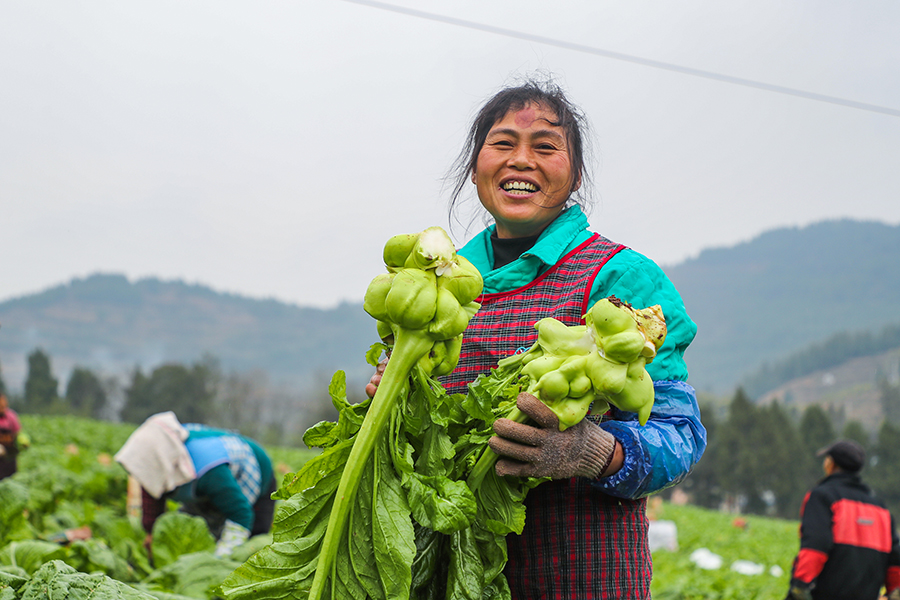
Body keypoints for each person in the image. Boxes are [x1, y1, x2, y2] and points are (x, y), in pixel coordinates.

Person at [368, 78, 706, 598]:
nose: (521, 160)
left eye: (545, 146)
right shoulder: (441, 282)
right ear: (476, 166)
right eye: (502, 143)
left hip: (579, 575)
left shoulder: (621, 279)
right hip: (436, 569)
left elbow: (680, 434)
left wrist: (596, 453)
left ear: (573, 177)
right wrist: (393, 406)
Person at [115, 411, 277, 559]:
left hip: (257, 472)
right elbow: (152, 494)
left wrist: (221, 560)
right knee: (195, 529)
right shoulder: (158, 464)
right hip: (207, 484)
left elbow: (241, 514)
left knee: (251, 544)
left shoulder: (210, 471)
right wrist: (152, 534)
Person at [786, 439, 900, 600]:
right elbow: (895, 560)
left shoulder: (822, 496)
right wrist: (894, 593)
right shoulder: (880, 508)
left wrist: (800, 587)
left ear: (831, 464)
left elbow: (816, 546)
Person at [0, 393, 22, 480]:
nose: (2, 407)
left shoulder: (11, 416)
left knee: (11, 478)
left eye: (4, 405)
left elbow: (17, 432)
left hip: (10, 456)